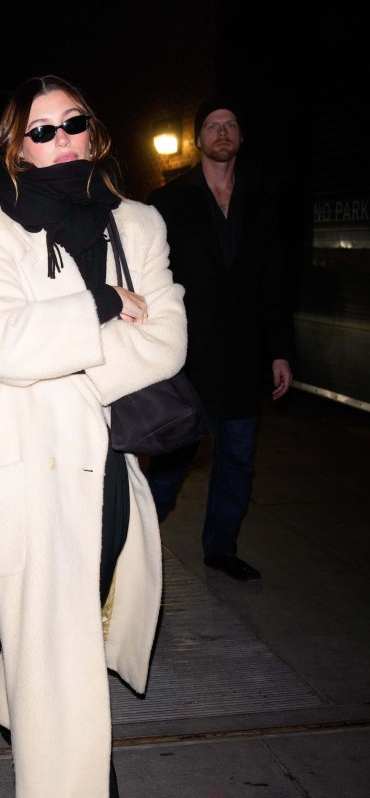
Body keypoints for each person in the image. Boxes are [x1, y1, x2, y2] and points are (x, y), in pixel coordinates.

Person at [0, 75, 187, 798]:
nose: (56, 140)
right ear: (14, 147)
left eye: (71, 124)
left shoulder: (142, 224)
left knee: (64, 641)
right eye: (37, 131)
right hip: (24, 471)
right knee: (63, 668)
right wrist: (97, 308)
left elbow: (165, 343)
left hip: (106, 473)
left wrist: (65, 357)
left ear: (95, 134)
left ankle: (6, 687)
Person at [146, 96, 295, 582]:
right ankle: (136, 542)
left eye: (231, 124)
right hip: (186, 357)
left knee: (237, 461)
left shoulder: (261, 202)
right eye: (213, 126)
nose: (223, 132)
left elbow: (274, 282)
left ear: (241, 138)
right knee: (171, 462)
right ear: (199, 139)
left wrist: (279, 352)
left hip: (244, 357)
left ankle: (221, 548)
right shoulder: (168, 201)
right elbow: (151, 277)